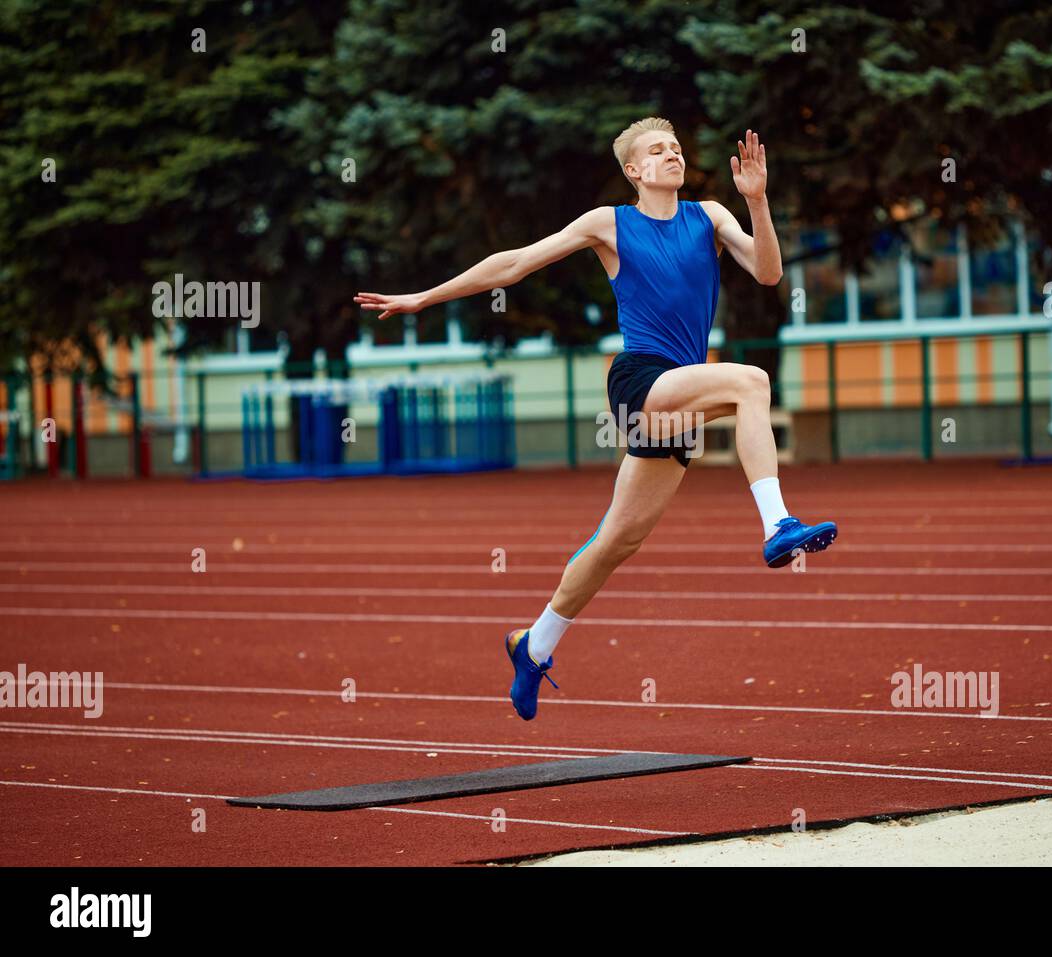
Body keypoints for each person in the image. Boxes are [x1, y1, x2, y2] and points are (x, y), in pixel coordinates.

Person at [355, 117, 838, 721]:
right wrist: (424, 299)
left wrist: (758, 201)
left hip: (677, 399)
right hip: (639, 380)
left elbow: (768, 273)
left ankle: (533, 645)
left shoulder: (710, 215)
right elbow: (514, 264)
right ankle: (776, 525)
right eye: (658, 151)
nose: (672, 155)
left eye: (677, 147)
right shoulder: (609, 223)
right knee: (751, 382)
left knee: (618, 540)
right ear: (633, 170)